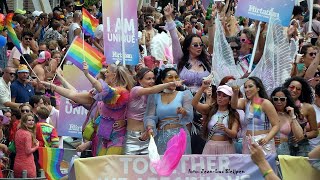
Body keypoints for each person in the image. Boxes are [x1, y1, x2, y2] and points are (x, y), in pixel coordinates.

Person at [125, 68, 184, 155]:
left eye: (153, 78)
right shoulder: (136, 90)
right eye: (148, 79)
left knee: (149, 167)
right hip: (132, 138)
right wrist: (169, 84)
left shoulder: (155, 96)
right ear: (139, 80)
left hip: (150, 137)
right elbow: (151, 90)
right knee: (127, 167)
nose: (152, 81)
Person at [144, 67, 193, 155]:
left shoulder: (185, 94)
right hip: (161, 135)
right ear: (163, 80)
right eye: (170, 77)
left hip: (179, 135)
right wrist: (150, 127)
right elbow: (150, 117)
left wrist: (183, 111)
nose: (174, 80)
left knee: (180, 165)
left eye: (176, 77)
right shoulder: (155, 96)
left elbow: (189, 116)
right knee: (164, 166)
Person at [231, 77, 280, 155]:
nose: (247, 89)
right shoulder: (246, 102)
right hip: (248, 142)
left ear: (258, 88)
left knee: (264, 166)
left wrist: (266, 139)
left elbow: (276, 125)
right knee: (249, 167)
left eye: (250, 86)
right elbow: (234, 105)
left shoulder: (265, 103)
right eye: (245, 87)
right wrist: (235, 93)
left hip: (263, 141)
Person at [193, 80, 239, 154]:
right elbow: (194, 103)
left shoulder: (233, 114)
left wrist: (225, 129)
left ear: (230, 100)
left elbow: (234, 134)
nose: (220, 97)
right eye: (219, 94)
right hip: (210, 146)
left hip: (226, 147)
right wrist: (202, 88)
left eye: (224, 96)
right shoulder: (210, 109)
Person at [283, 77, 318, 156]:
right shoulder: (278, 104)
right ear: (286, 88)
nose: (294, 90)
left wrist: (303, 136)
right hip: (283, 146)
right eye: (292, 87)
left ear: (302, 92)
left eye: (298, 89)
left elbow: (315, 132)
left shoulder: (308, 107)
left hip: (302, 147)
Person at [270, 87, 304, 155]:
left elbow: (300, 136)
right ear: (272, 99)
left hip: (284, 152)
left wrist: (293, 116)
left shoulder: (289, 116)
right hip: (268, 150)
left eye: (282, 99)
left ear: (287, 100)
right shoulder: (267, 113)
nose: (279, 102)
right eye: (276, 99)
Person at [14, 113, 39, 178]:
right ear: (24, 122)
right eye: (29, 120)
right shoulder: (27, 134)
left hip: (17, 163)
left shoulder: (18, 131)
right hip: (27, 164)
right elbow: (28, 151)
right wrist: (37, 146)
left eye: (32, 120)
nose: (31, 122)